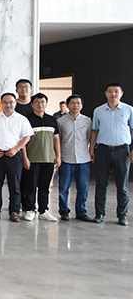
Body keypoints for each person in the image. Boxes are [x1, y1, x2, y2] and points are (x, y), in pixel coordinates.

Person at [90, 83, 133, 225]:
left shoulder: (129, 110)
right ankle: (99, 214)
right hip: (103, 150)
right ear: (106, 93)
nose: (113, 94)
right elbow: (95, 130)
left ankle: (122, 215)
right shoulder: (99, 111)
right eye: (110, 91)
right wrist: (91, 148)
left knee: (122, 185)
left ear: (121, 93)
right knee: (101, 184)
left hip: (122, 151)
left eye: (116, 91)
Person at [0, 93, 33, 222]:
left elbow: (27, 136)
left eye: (11, 102)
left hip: (14, 155)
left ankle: (14, 211)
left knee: (15, 185)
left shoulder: (21, 119)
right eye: (5, 102)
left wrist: (16, 148)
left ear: (15, 103)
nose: (8, 105)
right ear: (1, 103)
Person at [22, 93, 61, 222]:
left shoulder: (52, 120)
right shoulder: (26, 120)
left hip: (48, 159)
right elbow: (23, 141)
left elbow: (56, 139)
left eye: (43, 102)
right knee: (30, 186)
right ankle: (29, 209)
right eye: (37, 102)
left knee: (44, 187)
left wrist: (58, 156)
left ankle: (43, 210)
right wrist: (25, 158)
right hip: (32, 159)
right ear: (32, 104)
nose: (40, 104)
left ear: (46, 104)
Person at [57, 94, 92, 222]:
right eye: (73, 103)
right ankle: (64, 211)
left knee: (83, 187)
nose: (76, 105)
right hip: (66, 158)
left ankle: (81, 212)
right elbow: (58, 140)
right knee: (63, 188)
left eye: (78, 103)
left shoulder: (87, 121)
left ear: (82, 105)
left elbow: (90, 138)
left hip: (83, 159)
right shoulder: (60, 121)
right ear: (67, 105)